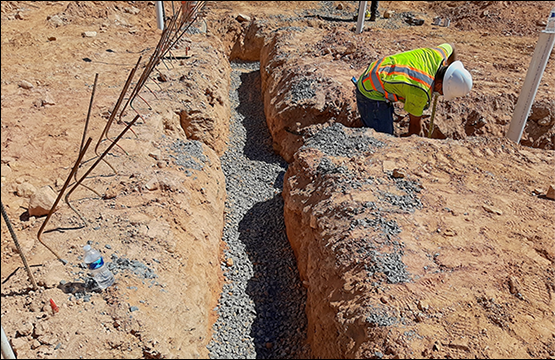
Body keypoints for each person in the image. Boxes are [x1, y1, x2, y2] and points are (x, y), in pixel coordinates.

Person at [354, 43, 472, 137]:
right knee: (384, 140)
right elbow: (414, 126)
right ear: (439, 84)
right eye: (442, 92)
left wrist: (449, 68)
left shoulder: (438, 54)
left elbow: (451, 46)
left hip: (380, 69)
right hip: (370, 91)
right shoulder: (420, 91)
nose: (440, 95)